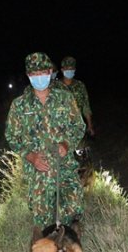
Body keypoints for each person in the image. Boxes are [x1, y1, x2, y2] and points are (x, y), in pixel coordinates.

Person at [5, 52, 86, 227]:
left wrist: (67, 143)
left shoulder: (65, 98)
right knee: (42, 220)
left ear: (50, 72)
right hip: (38, 171)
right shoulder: (19, 105)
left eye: (42, 72)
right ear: (28, 76)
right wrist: (30, 156)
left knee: (73, 211)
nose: (39, 77)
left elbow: (79, 126)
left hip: (64, 165)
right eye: (34, 74)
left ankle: (67, 245)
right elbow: (12, 136)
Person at [61, 56, 95, 136]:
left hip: (78, 126)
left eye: (71, 69)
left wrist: (89, 125)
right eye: (67, 69)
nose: (69, 71)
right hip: (60, 128)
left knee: (81, 148)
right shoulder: (55, 86)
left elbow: (86, 106)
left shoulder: (80, 85)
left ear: (75, 70)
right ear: (62, 70)